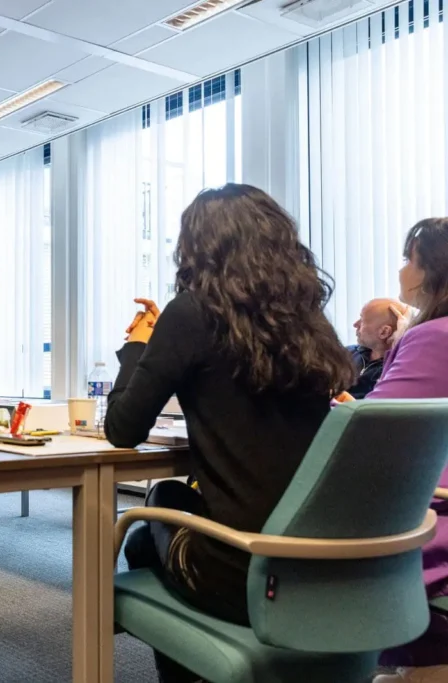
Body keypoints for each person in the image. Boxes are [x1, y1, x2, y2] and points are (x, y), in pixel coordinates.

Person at [105, 184, 354, 683]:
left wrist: (139, 345)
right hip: (326, 567)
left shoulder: (190, 312)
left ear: (198, 248)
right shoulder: (307, 321)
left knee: (150, 523)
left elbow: (123, 429)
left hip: (243, 571)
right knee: (170, 505)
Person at [366, 218, 448, 683]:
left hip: (422, 526)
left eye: (407, 259)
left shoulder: (433, 337)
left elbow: (369, 435)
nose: (401, 271)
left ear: (433, 269)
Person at [346, 298, 403, 398]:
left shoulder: (395, 369)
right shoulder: (347, 353)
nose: (355, 324)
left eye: (362, 320)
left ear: (384, 332)